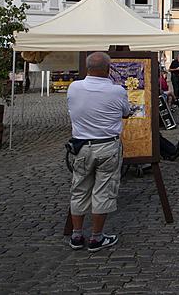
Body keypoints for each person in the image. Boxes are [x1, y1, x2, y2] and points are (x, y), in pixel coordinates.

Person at [66, 52, 130, 252]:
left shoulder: (74, 87)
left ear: (87, 68)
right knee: (103, 191)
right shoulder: (117, 91)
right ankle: (96, 237)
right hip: (107, 146)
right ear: (108, 69)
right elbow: (126, 112)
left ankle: (77, 235)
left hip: (82, 146)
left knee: (79, 189)